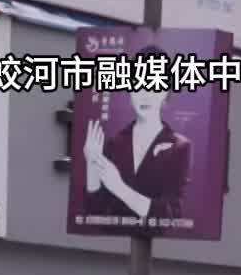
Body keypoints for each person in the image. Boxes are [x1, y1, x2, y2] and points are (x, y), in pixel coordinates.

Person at [82, 47, 192, 226]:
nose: (145, 94)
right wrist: (92, 166)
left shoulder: (180, 146)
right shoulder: (115, 143)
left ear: (166, 91)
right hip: (116, 246)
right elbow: (95, 213)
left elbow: (172, 214)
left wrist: (120, 188)